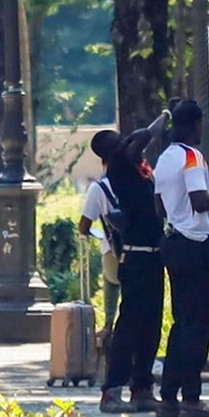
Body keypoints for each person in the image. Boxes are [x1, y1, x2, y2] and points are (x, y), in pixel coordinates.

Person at [153, 100, 209, 417]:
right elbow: (200, 200)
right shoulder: (192, 157)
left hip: (174, 242)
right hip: (196, 247)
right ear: (194, 125)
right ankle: (191, 396)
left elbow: (161, 206)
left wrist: (193, 213)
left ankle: (168, 395)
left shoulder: (164, 159)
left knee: (181, 322)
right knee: (200, 324)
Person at [93, 111, 169, 414]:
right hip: (137, 255)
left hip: (153, 252)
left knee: (151, 324)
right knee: (130, 324)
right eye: (118, 141)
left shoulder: (137, 166)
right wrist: (163, 117)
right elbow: (140, 139)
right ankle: (112, 390)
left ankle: (142, 387)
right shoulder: (122, 166)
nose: (125, 141)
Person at [78, 144, 120, 335]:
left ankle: (109, 325)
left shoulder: (99, 188)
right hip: (145, 253)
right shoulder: (142, 182)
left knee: (111, 281)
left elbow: (84, 226)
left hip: (115, 251)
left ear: (105, 164)